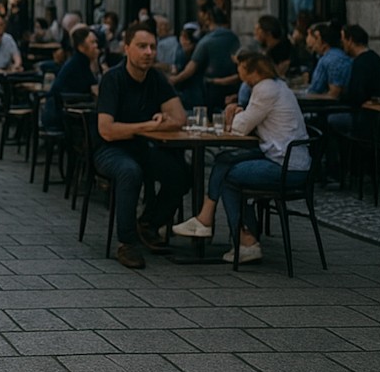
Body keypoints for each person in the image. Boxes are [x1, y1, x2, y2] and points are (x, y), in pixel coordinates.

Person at [172, 52, 309, 263]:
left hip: (285, 166)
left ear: (253, 71)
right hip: (283, 157)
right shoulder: (276, 86)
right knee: (224, 159)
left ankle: (246, 242)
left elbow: (241, 127)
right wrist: (240, 114)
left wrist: (232, 113)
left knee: (229, 177)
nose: (238, 72)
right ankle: (211, 223)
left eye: (241, 68)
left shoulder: (265, 89)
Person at [95, 22, 190, 269]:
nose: (149, 52)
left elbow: (180, 118)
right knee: (130, 171)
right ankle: (126, 243)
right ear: (126, 48)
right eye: (141, 46)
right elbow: (107, 130)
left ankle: (148, 223)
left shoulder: (156, 78)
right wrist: (149, 125)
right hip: (110, 150)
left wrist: (164, 120)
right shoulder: (113, 79)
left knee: (181, 174)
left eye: (152, 47)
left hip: (144, 148)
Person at [170, 7, 239, 111]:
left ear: (209, 21)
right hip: (232, 87)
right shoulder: (233, 37)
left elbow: (190, 69)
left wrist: (174, 80)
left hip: (210, 90)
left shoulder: (206, 41)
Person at [40, 26, 101, 132]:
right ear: (81, 47)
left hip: (64, 111)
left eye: (96, 42)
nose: (96, 46)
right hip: (59, 115)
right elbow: (96, 90)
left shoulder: (82, 60)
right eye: (92, 43)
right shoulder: (78, 63)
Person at [305, 21, 352, 98]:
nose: (314, 43)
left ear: (323, 42)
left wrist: (309, 96)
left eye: (316, 39)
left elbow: (334, 94)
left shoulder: (332, 59)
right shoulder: (327, 57)